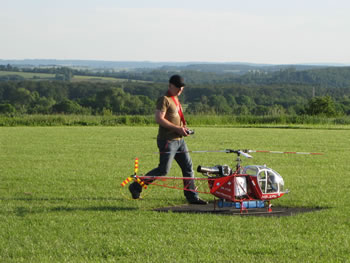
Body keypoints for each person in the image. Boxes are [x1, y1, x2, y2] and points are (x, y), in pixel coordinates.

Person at [129, 75, 207, 205]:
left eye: (181, 88)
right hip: (168, 141)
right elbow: (159, 118)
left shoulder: (175, 99)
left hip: (179, 140)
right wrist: (177, 128)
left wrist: (183, 129)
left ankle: (192, 197)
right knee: (163, 170)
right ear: (170, 85)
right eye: (178, 87)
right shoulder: (164, 99)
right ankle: (136, 186)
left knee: (188, 167)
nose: (180, 90)